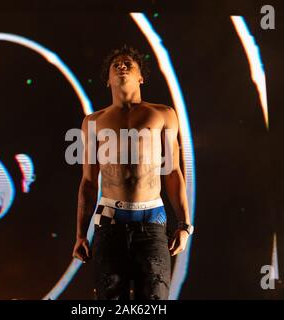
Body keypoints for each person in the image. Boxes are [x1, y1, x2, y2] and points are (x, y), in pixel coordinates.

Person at [72, 46, 193, 300]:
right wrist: (81, 235)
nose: (121, 66)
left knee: (154, 300)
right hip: (109, 222)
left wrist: (183, 224)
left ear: (141, 77)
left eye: (128, 63)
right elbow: (88, 181)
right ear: (107, 80)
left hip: (152, 222)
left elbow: (172, 172)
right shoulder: (93, 122)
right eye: (115, 65)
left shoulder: (163, 114)